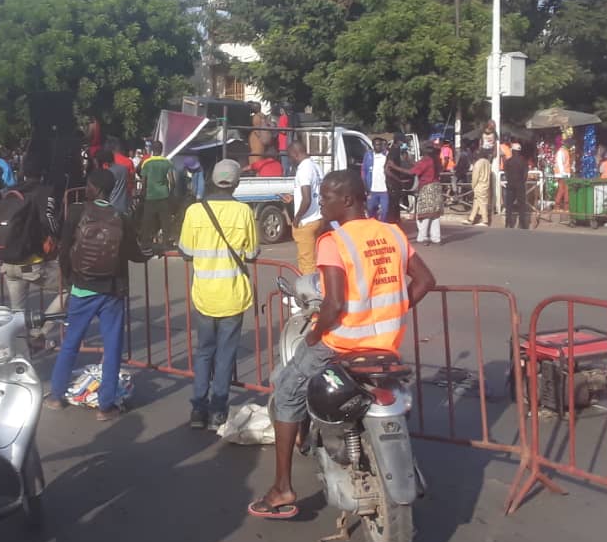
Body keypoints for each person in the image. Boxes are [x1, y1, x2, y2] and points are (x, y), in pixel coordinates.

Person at [249, 169, 435, 519]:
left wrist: (316, 334)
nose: (321, 201)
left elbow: (333, 305)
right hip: (385, 346)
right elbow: (425, 281)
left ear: (347, 199)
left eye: (326, 196)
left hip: (342, 345)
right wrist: (394, 309)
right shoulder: (393, 233)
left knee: (286, 390)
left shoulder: (333, 241)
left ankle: (282, 488)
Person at [46, 169, 152, 421]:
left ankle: (55, 395)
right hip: (111, 291)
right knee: (113, 345)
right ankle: (106, 406)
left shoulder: (76, 212)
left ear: (93, 188)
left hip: (82, 288)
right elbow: (134, 253)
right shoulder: (121, 217)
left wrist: (71, 278)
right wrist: (150, 251)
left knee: (71, 341)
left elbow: (64, 249)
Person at [178, 159, 259, 429]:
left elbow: (186, 252)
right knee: (225, 355)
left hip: (204, 295)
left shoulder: (194, 211)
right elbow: (252, 253)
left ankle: (197, 410)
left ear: (212, 179)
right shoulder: (244, 212)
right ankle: (218, 412)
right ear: (235, 182)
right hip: (233, 296)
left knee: (203, 352)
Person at [0, 153, 66, 318]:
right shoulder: (44, 192)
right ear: (43, 173)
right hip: (30, 266)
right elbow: (48, 218)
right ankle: (41, 331)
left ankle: (26, 340)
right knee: (69, 288)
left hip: (8, 264)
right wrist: (58, 235)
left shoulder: (11, 192)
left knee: (18, 313)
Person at [390, 142, 443, 245]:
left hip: (427, 188)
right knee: (435, 215)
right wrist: (409, 161)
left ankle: (422, 237)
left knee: (425, 215)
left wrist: (394, 167)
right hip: (436, 187)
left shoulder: (426, 160)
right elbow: (420, 167)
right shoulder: (435, 159)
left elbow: (412, 172)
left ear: (425, 150)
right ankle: (436, 238)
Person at [287, 140, 323, 276]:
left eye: (290, 156)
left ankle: (309, 294)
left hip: (306, 222)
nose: (290, 160)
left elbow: (307, 198)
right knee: (317, 259)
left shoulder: (303, 169)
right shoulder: (316, 166)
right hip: (318, 218)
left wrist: (296, 218)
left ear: (296, 154)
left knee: (307, 263)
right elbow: (316, 193)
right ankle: (320, 289)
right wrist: (293, 199)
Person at [138, 141, 175, 247]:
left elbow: (144, 182)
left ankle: (145, 243)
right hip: (164, 195)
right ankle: (165, 243)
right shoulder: (167, 162)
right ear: (162, 149)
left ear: (152, 150)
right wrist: (170, 192)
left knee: (147, 221)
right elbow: (172, 181)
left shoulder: (147, 163)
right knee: (165, 221)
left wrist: (142, 194)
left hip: (150, 196)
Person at [362, 138, 390, 222]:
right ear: (373, 145)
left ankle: (382, 228)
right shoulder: (368, 155)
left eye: (379, 144)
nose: (378, 146)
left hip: (384, 190)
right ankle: (373, 228)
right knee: (370, 211)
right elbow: (364, 171)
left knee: (384, 211)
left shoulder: (386, 155)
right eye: (376, 144)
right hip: (372, 190)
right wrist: (366, 187)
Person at [504, 142, 531, 229]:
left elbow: (506, 174)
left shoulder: (508, 162)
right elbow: (525, 175)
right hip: (520, 185)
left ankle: (508, 223)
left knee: (509, 205)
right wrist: (522, 182)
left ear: (512, 151)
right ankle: (522, 224)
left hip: (510, 184)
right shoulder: (523, 162)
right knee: (521, 205)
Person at [99, 149, 130, 215]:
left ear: (105, 161)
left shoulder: (109, 172)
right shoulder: (124, 169)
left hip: (112, 205)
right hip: (123, 204)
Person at [466, 150, 492, 227]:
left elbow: (475, 177)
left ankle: (485, 221)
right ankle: (471, 219)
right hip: (486, 184)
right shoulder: (487, 162)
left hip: (479, 185)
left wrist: (473, 186)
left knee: (482, 203)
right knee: (476, 202)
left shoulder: (478, 163)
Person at [554, 140, 573, 211]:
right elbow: (560, 163)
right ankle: (558, 206)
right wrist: (563, 173)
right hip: (562, 174)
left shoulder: (563, 151)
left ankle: (564, 207)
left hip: (563, 174)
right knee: (563, 190)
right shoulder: (562, 152)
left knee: (565, 190)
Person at [276, 106, 292, 175]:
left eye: (281, 109)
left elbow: (283, 131)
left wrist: (277, 127)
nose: (280, 110)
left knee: (285, 162)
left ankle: (285, 176)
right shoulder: (288, 117)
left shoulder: (282, 118)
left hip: (283, 143)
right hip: (288, 142)